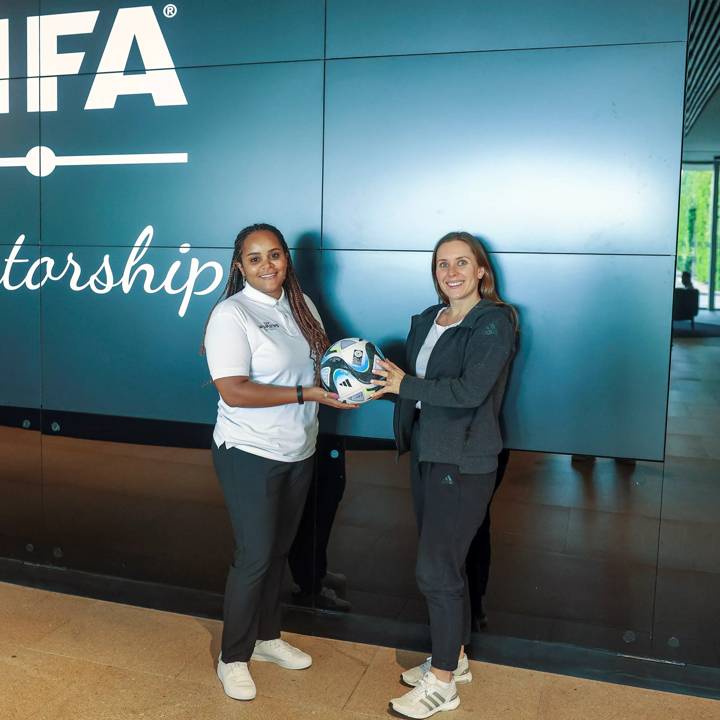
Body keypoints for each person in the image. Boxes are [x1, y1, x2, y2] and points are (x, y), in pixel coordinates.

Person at [203, 223, 354, 702]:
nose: (267, 265)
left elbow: (322, 367)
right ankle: (233, 658)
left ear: (286, 259)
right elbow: (234, 389)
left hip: (298, 448)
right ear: (239, 266)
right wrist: (307, 393)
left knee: (278, 552)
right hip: (249, 451)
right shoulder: (232, 314)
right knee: (254, 556)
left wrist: (353, 381)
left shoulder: (302, 305)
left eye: (275, 255)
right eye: (255, 258)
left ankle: (267, 639)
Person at [373, 231, 518, 719]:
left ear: (481, 270)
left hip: (465, 459)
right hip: (427, 453)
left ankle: (442, 685)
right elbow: (418, 390)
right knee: (444, 563)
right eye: (442, 264)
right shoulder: (427, 320)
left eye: (462, 263)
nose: (451, 272)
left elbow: (470, 390)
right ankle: (452, 657)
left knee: (436, 569)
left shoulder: (493, 322)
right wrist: (378, 385)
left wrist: (405, 382)